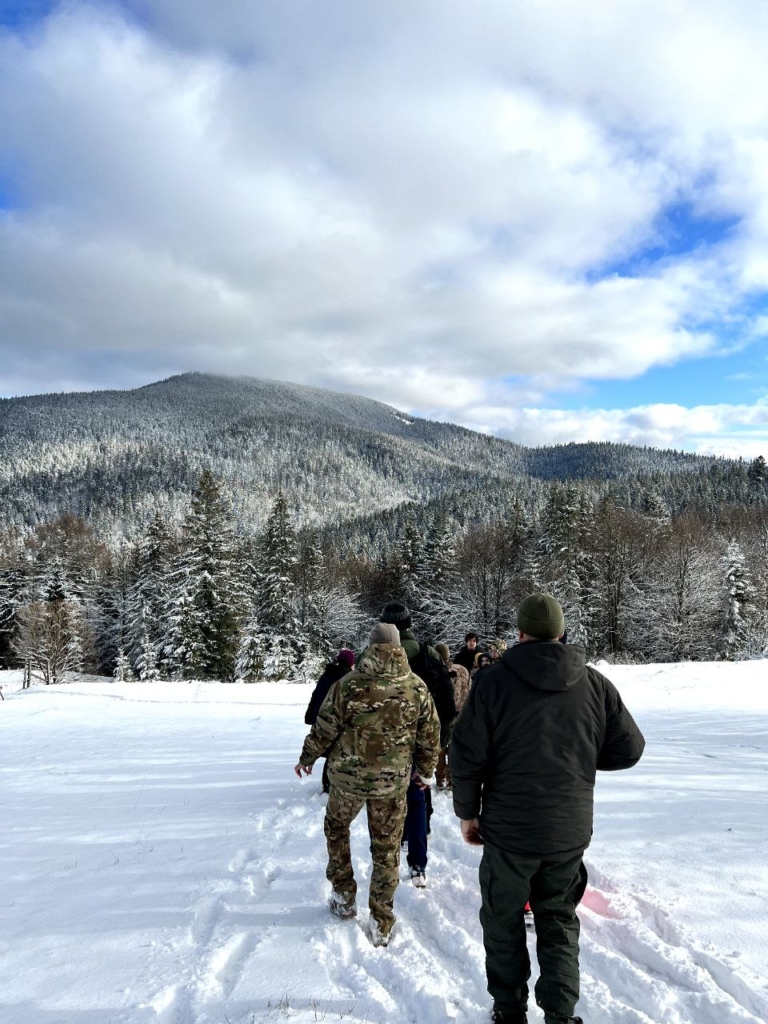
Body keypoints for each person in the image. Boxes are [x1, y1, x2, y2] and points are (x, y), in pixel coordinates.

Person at [451, 593, 645, 1024]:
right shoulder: (594, 684)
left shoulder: (492, 682)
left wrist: (468, 813)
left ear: (519, 634)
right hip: (567, 831)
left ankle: (508, 1010)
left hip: (508, 832)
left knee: (502, 921)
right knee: (557, 921)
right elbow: (630, 749)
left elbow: (466, 756)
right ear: (561, 633)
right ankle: (560, 1015)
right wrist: (580, 758)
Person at [294, 622, 439, 947]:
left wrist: (307, 757)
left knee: (336, 828)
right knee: (387, 851)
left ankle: (344, 896)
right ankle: (382, 921)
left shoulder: (348, 685)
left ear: (370, 648)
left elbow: (325, 726)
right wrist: (426, 772)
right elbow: (431, 735)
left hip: (348, 781)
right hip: (392, 785)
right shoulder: (416, 687)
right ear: (399, 649)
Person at [379, 601, 456, 887]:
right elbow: (447, 701)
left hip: (389, 742)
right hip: (426, 735)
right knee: (418, 793)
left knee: (389, 798)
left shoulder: (376, 656)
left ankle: (396, 845)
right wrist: (441, 740)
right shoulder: (429, 652)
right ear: (409, 623)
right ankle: (418, 859)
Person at [304, 648, 356, 793]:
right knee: (338, 754)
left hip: (321, 721)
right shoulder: (348, 679)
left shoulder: (327, 675)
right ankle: (334, 786)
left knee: (331, 754)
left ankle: (328, 785)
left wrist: (311, 717)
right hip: (338, 722)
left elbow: (316, 696)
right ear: (351, 663)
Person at [433, 642, 471, 791]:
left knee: (441, 748)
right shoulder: (462, 669)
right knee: (455, 750)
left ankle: (440, 779)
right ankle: (452, 780)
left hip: (442, 716)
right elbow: (470, 689)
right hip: (461, 715)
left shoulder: (436, 670)